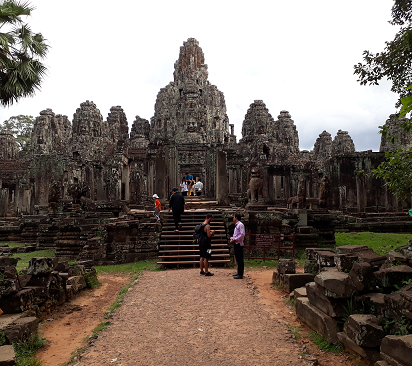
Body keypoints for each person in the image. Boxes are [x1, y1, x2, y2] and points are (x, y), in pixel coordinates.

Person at [230, 213, 245, 279]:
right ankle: (239, 272)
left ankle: (240, 274)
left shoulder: (240, 225)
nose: (233, 218)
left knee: (240, 259)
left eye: (234, 217)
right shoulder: (237, 225)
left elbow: (242, 234)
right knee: (238, 259)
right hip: (236, 243)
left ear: (236, 218)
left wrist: (235, 239)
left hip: (238, 243)